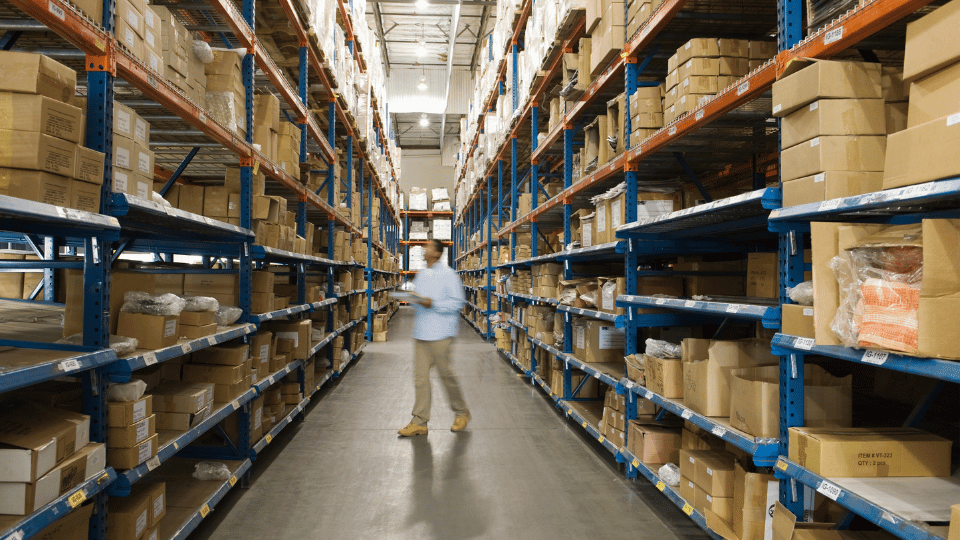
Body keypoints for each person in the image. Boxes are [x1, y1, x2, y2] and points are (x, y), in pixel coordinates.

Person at [398, 238, 470, 437]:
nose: (424, 249)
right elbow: (420, 301)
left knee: (446, 376)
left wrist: (433, 303)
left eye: (428, 247)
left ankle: (462, 412)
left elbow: (457, 303)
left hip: (442, 333)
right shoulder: (421, 276)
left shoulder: (449, 275)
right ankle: (420, 421)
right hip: (421, 333)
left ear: (437, 253)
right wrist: (414, 299)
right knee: (420, 379)